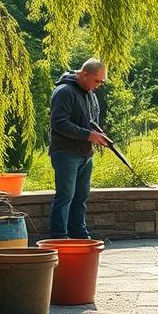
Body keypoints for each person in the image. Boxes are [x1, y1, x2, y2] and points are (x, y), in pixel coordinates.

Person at [48, 58, 109, 239]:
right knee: (65, 196)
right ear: (84, 74)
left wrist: (98, 135)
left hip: (85, 154)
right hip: (65, 152)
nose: (98, 85)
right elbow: (59, 123)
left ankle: (79, 234)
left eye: (101, 82)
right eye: (96, 81)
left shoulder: (90, 94)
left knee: (81, 196)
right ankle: (59, 236)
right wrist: (89, 135)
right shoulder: (64, 91)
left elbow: (90, 122)